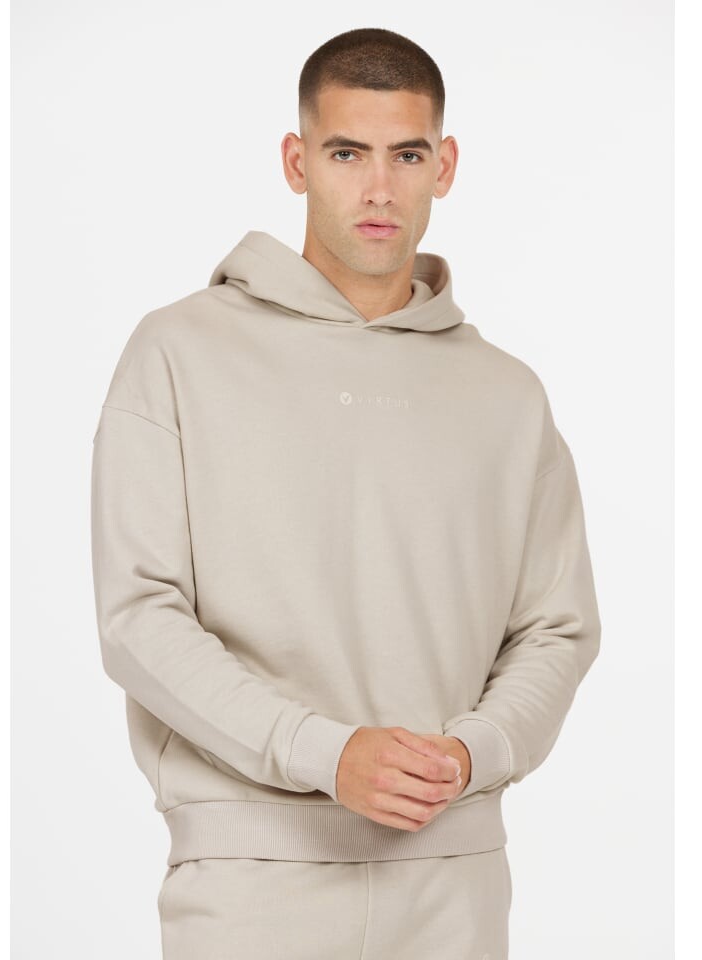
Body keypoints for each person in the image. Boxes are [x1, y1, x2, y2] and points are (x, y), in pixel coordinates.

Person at [90, 26, 601, 960]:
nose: (378, 189)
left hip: (453, 885)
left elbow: (556, 628)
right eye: (345, 153)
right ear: (296, 162)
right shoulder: (179, 353)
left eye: (406, 155)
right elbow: (138, 618)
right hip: (249, 884)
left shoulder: (507, 394)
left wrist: (473, 753)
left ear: (444, 166)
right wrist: (324, 752)